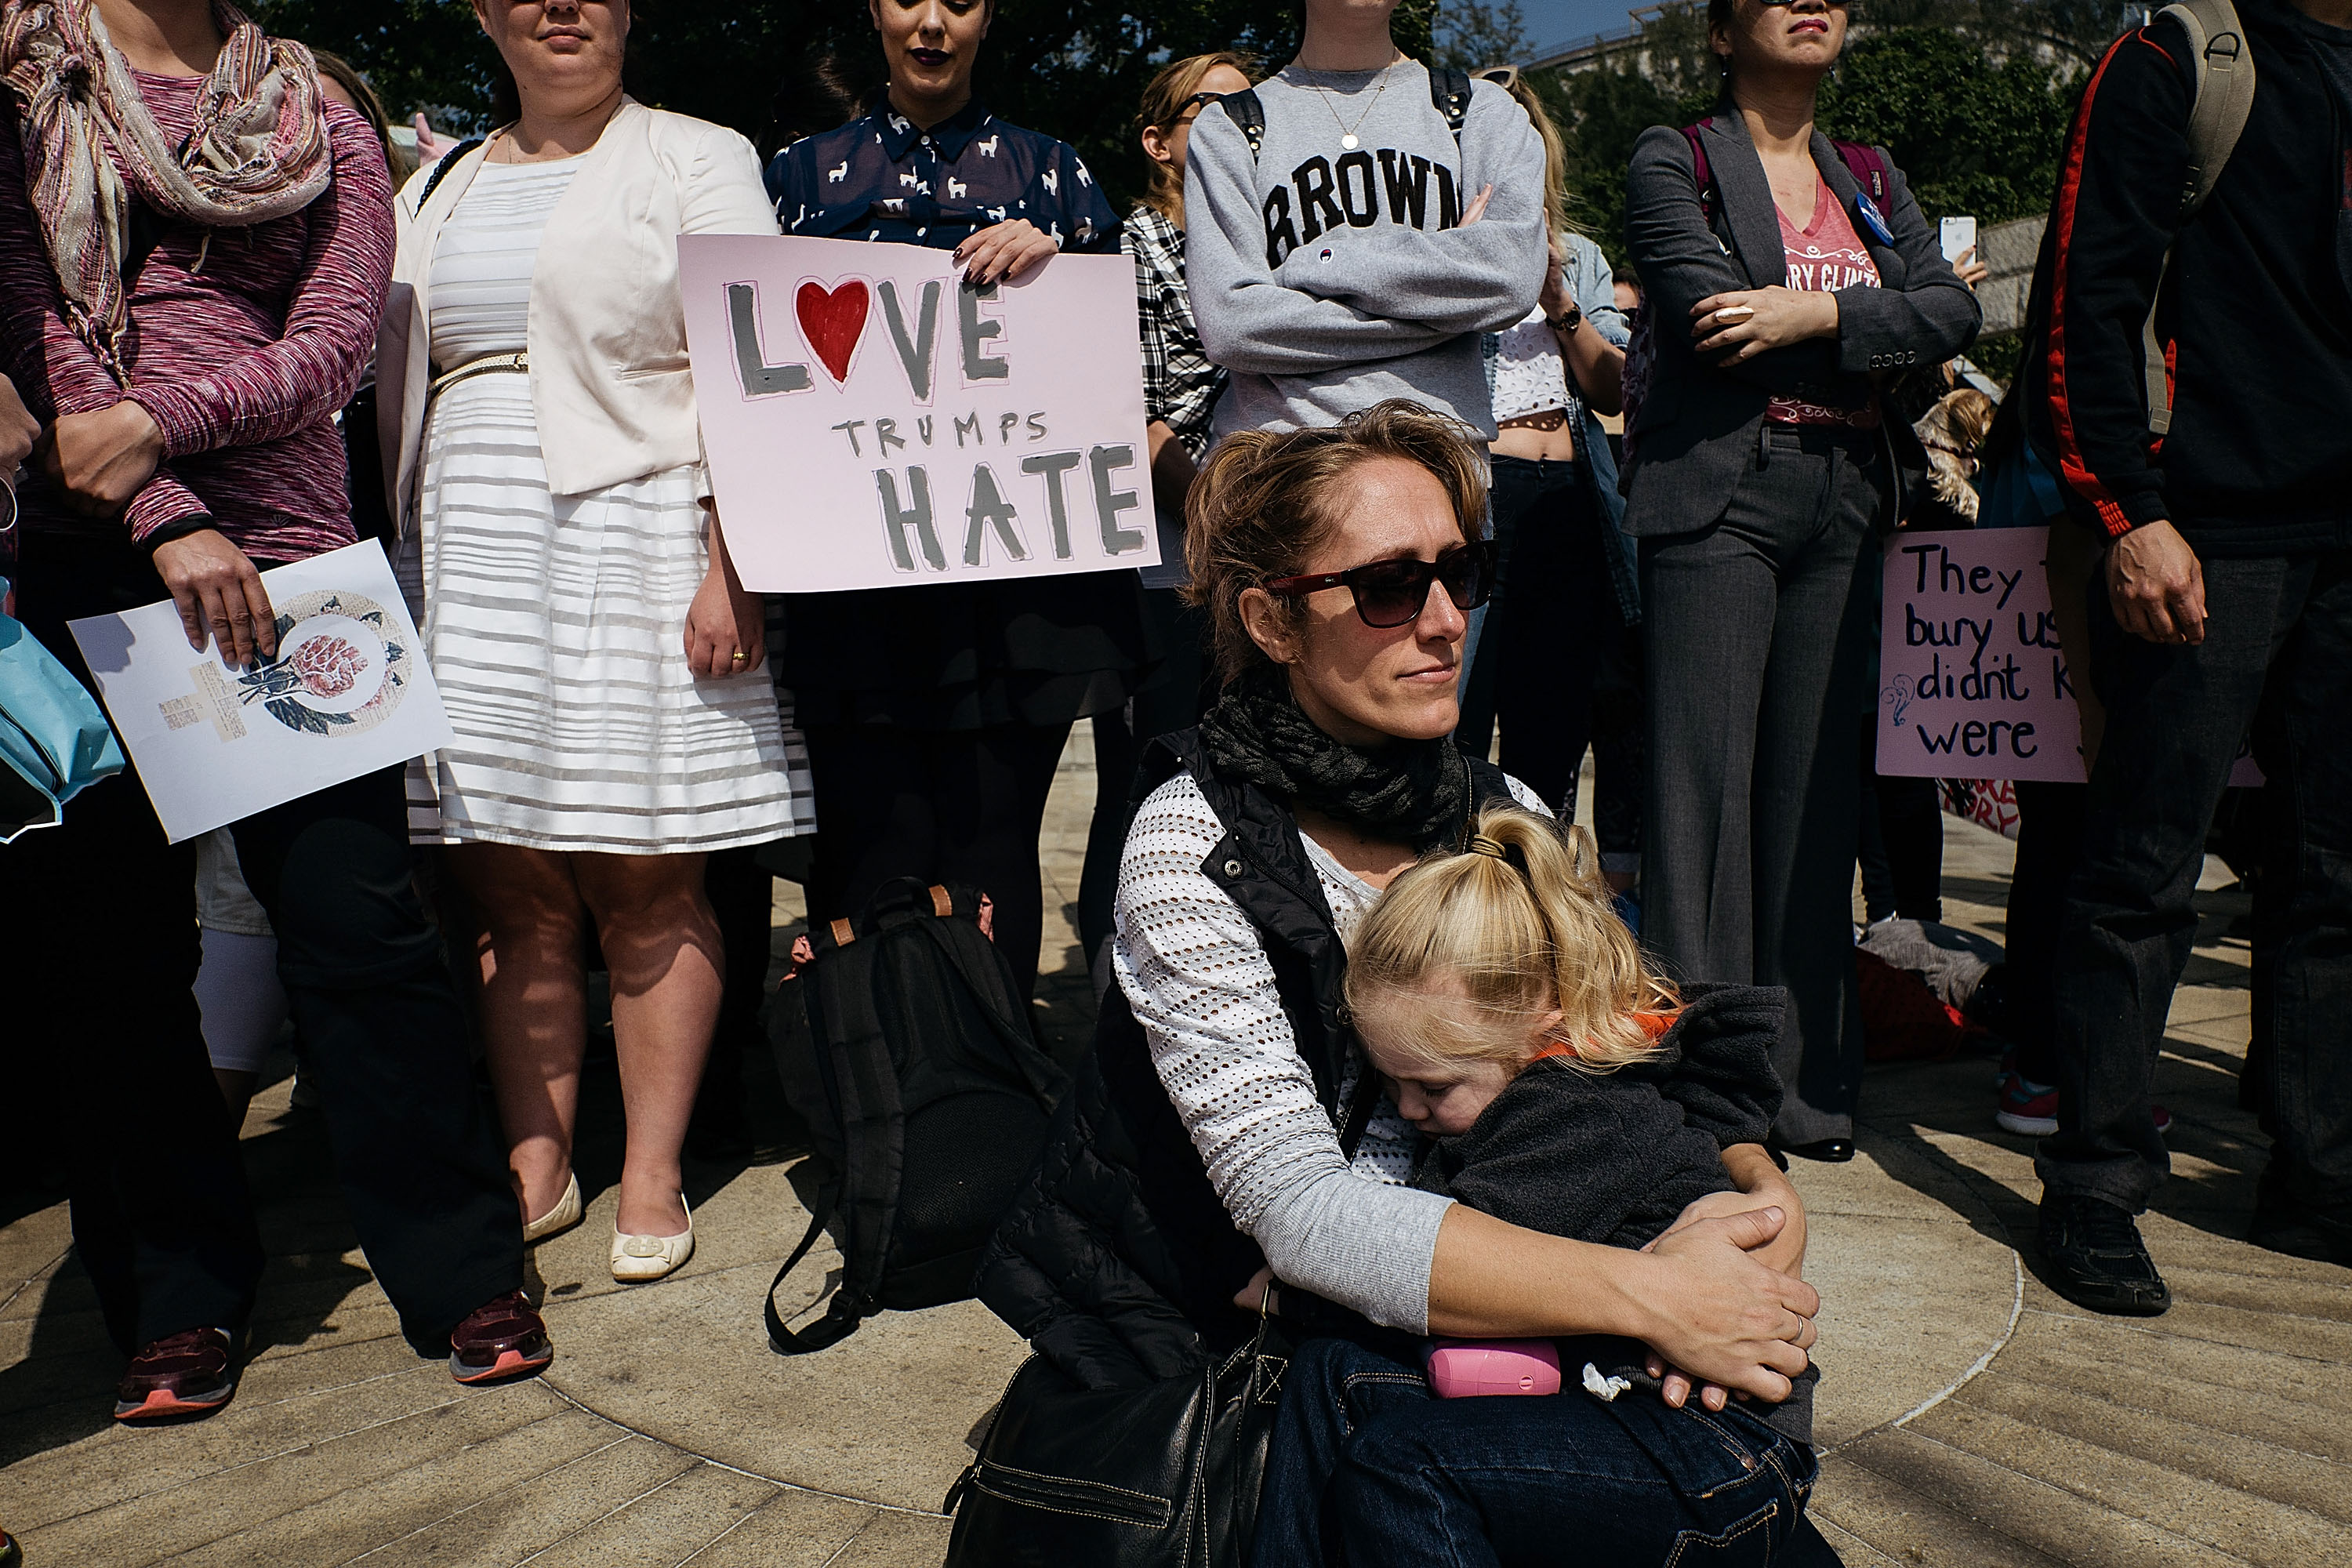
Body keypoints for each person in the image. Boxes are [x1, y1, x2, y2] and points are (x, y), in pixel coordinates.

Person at [978, 401, 1820, 1533]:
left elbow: (1643, 1039)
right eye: (1386, 587)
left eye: (1461, 573)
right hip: (1255, 1329)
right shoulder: (1192, 843)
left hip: (1513, 1299)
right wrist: (1656, 1296)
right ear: (1273, 623)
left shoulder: (1507, 812)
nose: (1442, 622)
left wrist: (1757, 1204)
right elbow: (1306, 1214)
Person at [0, 0, 544, 1420]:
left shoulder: (319, 105)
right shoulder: (26, 76)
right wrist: (167, 517)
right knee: (117, 965)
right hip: (97, 563)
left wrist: (167, 430)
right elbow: (34, 326)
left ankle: (460, 1263)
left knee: (362, 932)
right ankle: (175, 1296)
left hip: (305, 576)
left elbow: (338, 340)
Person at [379, 0, 812, 1283]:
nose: (559, 5)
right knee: (500, 875)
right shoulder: (440, 178)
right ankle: (538, 1158)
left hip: (640, 534)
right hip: (464, 541)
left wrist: (737, 564)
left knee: (646, 869)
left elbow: (760, 361)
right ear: (485, 12)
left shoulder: (697, 154)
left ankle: (654, 1168)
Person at [1252, 800, 1831, 1565]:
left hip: (1713, 1447)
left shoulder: (1568, 1117)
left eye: (1431, 1085)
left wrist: (1288, 1287)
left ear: (1540, 1023)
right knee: (1331, 1373)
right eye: (1389, 1082)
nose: (1407, 1108)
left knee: (1407, 1465)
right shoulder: (1517, 1093)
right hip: (1610, 1408)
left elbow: (1438, 1275)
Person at [2015, 0, 2352, 1305]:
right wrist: (2129, 517)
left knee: (2336, 880)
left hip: (2342, 554)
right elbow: (2080, 302)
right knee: (2144, 872)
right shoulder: (2178, 57)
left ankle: (2319, 1182)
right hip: (2210, 534)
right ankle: (2094, 1187)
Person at [1622, 0, 1979, 1162]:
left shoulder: (1870, 171)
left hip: (1849, 492)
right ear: (1724, 32)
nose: (1812, 1)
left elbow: (1954, 309)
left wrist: (1819, 310)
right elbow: (1711, 315)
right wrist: (1876, 325)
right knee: (1704, 800)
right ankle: (1708, 1101)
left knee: (1820, 800)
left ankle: (1808, 1086)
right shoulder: (1674, 156)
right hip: (1723, 489)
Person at [763, 0, 1145, 1004]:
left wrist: (1063, 266)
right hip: (853, 575)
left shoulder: (1055, 172)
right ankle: (881, 1093)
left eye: (962, 2)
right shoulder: (796, 174)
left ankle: (1002, 1094)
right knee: (868, 842)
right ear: (876, 13)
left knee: (994, 845)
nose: (933, 23)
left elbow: (1126, 348)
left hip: (1016, 581)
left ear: (987, 18)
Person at [1076, 49, 1254, 985]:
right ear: (1159, 140)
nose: (1235, 124)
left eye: (1248, 112)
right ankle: (1120, 964)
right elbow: (1130, 413)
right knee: (1154, 775)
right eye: (1210, 109)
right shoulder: (1127, 246)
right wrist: (1227, 526)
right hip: (1169, 559)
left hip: (1255, 559)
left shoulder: (1264, 252)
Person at [1182, 0, 1548, 441]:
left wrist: (1315, 266)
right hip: (1285, 469)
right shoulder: (1230, 126)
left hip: (1440, 465)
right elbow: (1231, 327)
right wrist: (1444, 303)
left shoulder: (1479, 111)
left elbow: (1508, 283)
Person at [1451, 71, 1639, 902]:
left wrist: (1562, 300)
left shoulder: (1584, 255)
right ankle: (1452, 905)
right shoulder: (1436, 243)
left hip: (1567, 503)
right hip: (1473, 496)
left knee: (1551, 727)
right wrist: (1457, 263)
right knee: (1458, 711)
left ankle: (1541, 921)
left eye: (1517, 133)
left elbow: (1614, 390)